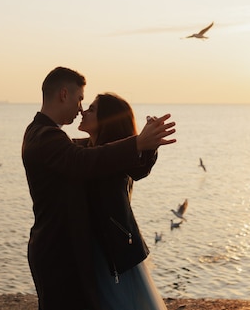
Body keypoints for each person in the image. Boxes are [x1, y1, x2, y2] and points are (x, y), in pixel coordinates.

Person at [22, 67, 176, 310]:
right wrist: (138, 142)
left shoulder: (53, 137)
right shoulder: (46, 137)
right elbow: (82, 160)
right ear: (64, 94)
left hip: (76, 254)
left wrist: (147, 145)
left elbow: (118, 163)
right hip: (57, 252)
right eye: (80, 98)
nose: (81, 107)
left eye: (87, 104)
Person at [78, 93, 167, 310]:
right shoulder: (83, 150)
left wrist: (147, 147)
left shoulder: (113, 158)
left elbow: (138, 168)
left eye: (91, 109)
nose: (83, 111)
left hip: (112, 253)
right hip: (97, 250)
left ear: (107, 120)